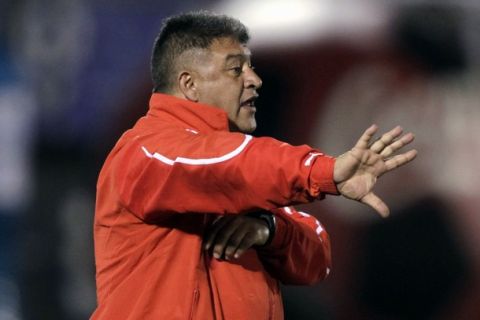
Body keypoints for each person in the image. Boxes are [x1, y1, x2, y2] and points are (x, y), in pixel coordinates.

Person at [91, 11, 417, 320]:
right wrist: (325, 171)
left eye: (251, 67)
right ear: (189, 84)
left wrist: (269, 229)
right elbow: (228, 163)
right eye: (236, 69)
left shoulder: (236, 175)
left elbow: (316, 257)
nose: (255, 80)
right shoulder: (147, 153)